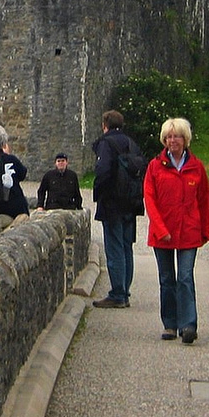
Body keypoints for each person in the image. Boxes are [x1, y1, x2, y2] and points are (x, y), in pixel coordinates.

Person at [144, 118, 209, 344]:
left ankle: (188, 324)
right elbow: (150, 201)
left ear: (186, 139)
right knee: (166, 279)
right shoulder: (155, 166)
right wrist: (161, 229)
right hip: (162, 232)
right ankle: (170, 324)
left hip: (188, 231)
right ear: (164, 140)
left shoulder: (196, 167)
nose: (173, 141)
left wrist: (205, 231)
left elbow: (204, 201)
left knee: (185, 277)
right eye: (169, 137)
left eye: (178, 136)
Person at [91, 110, 144, 310]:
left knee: (114, 247)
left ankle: (118, 293)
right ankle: (125, 290)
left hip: (112, 202)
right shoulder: (131, 143)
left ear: (105, 124)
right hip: (130, 201)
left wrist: (98, 193)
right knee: (125, 246)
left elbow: (103, 171)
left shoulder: (106, 144)